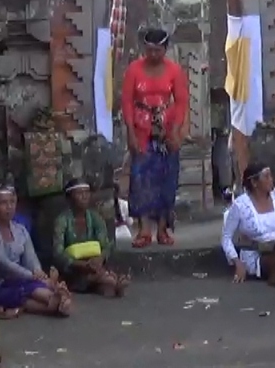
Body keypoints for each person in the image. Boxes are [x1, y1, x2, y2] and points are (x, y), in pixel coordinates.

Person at [122, 28, 190, 248]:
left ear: (165, 49)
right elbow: (126, 103)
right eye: (149, 50)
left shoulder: (175, 71)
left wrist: (176, 131)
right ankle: (144, 230)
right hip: (141, 129)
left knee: (166, 179)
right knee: (141, 179)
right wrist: (130, 134)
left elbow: (181, 102)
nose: (153, 55)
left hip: (166, 129)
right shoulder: (134, 70)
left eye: (158, 50)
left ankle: (162, 229)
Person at [0, 183, 72, 318]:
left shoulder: (20, 230)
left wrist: (38, 272)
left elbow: (30, 258)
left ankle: (55, 300)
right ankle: (53, 300)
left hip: (18, 279)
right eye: (3, 203)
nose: (9, 207)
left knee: (33, 286)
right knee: (26, 290)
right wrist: (34, 277)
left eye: (12, 202)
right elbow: (2, 264)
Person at [52, 178, 129, 297]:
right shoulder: (62, 220)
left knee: (108, 290)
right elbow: (58, 253)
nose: (84, 196)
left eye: (87, 192)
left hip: (95, 265)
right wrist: (81, 265)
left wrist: (99, 259)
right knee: (106, 281)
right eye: (79, 193)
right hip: (74, 270)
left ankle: (109, 283)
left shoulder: (95, 217)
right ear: (70, 198)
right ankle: (111, 280)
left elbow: (106, 245)